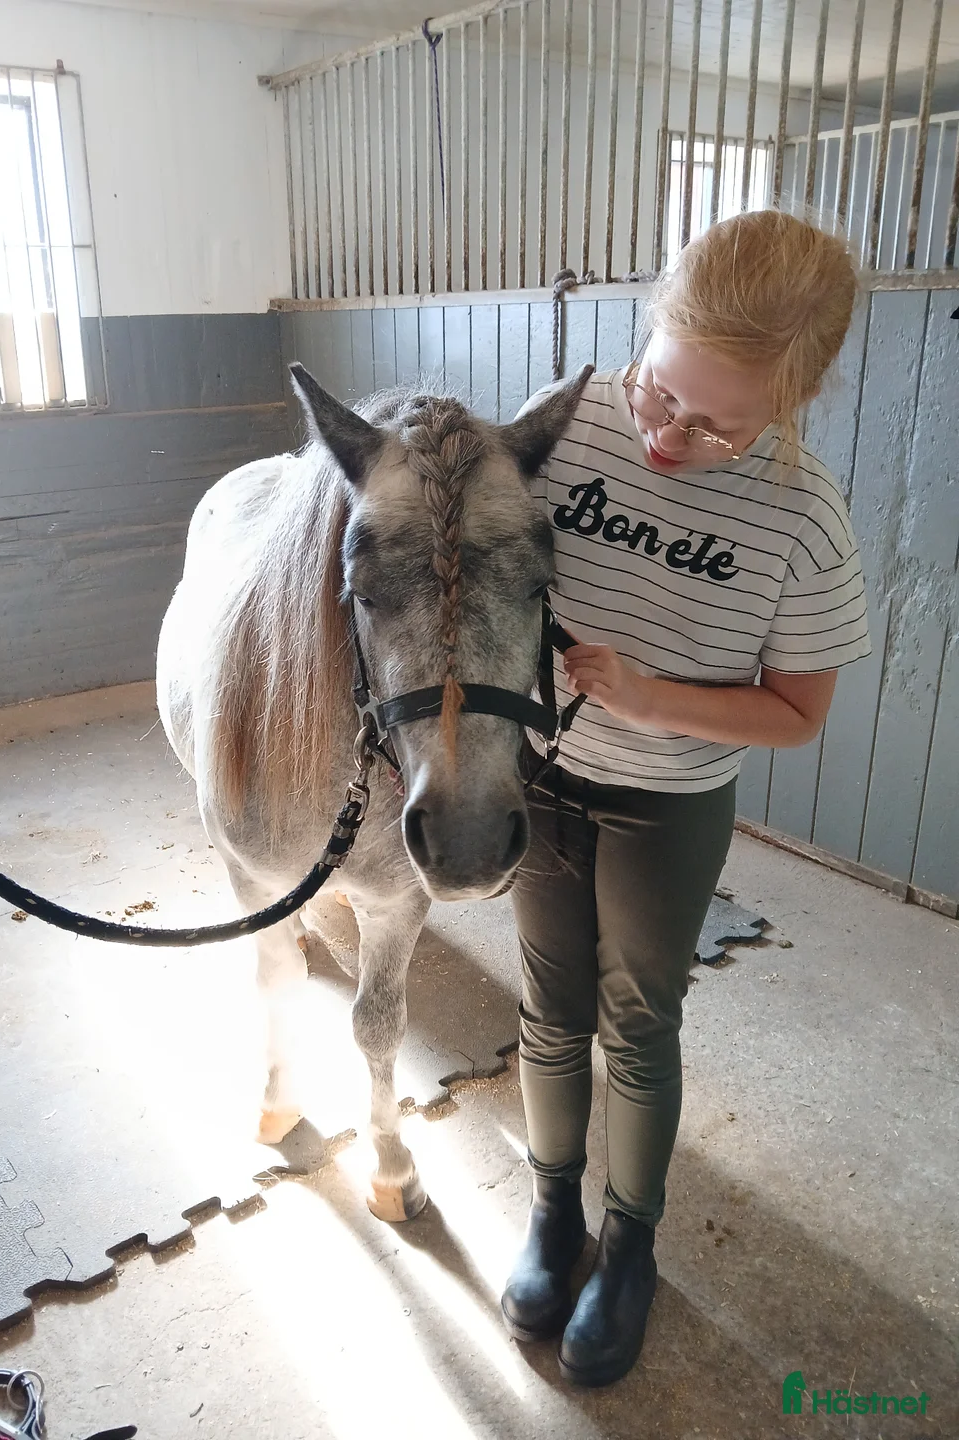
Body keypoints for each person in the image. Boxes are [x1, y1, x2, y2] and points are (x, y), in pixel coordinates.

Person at [500, 209, 872, 1387]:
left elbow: (798, 714)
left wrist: (654, 698)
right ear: (648, 331)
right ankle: (552, 1212)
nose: (667, 438)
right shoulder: (569, 423)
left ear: (795, 400)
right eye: (659, 392)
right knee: (548, 1009)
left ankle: (630, 1247)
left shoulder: (804, 520)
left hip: (666, 802)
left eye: (716, 425)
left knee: (638, 1022)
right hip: (543, 774)